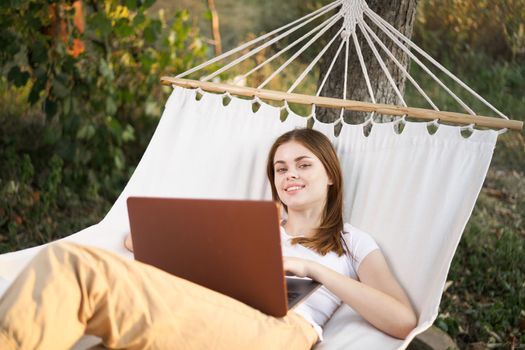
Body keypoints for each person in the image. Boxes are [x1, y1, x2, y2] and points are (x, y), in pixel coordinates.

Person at [0, 128, 417, 350]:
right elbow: (134, 241)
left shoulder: (352, 241)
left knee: (76, 268)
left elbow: (401, 320)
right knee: (71, 273)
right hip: (214, 311)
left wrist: (312, 270)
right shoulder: (255, 226)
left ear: (329, 173)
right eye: (280, 168)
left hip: (280, 331)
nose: (290, 174)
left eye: (303, 165)